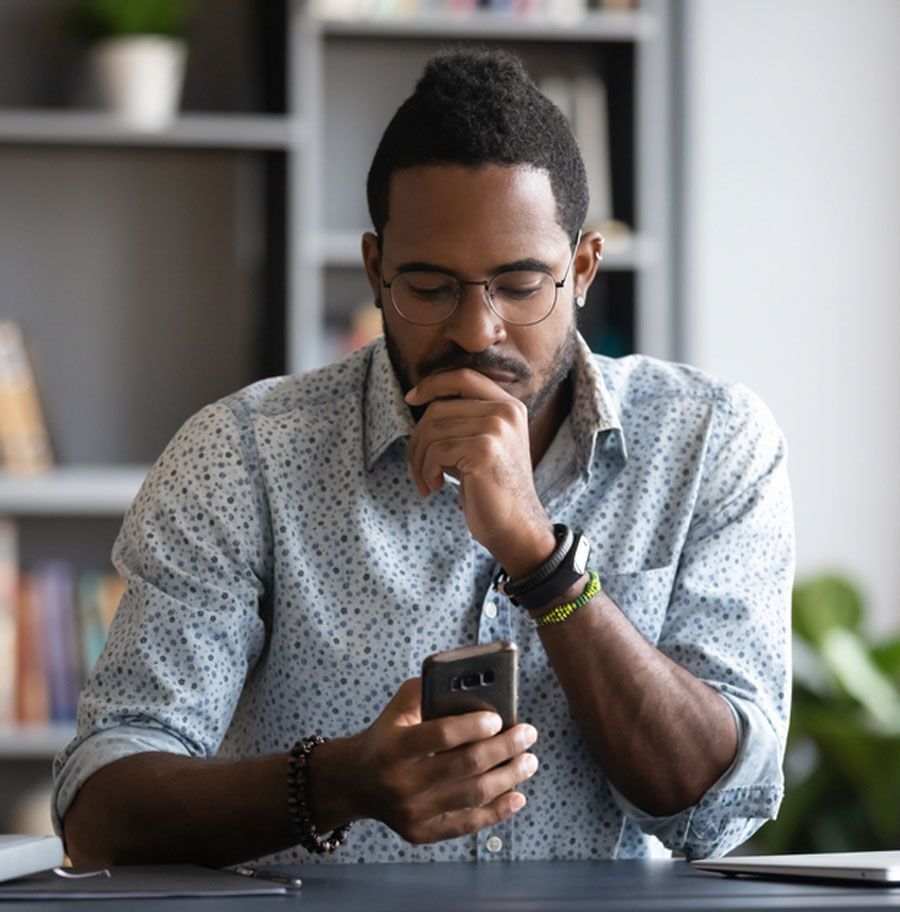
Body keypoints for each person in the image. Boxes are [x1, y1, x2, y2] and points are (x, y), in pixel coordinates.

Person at [53, 49, 794, 867]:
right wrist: (336, 782)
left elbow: (718, 808)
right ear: (375, 270)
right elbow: (100, 811)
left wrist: (541, 561)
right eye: (431, 287)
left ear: (582, 269)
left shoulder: (709, 442)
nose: (477, 331)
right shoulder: (245, 456)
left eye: (520, 285)